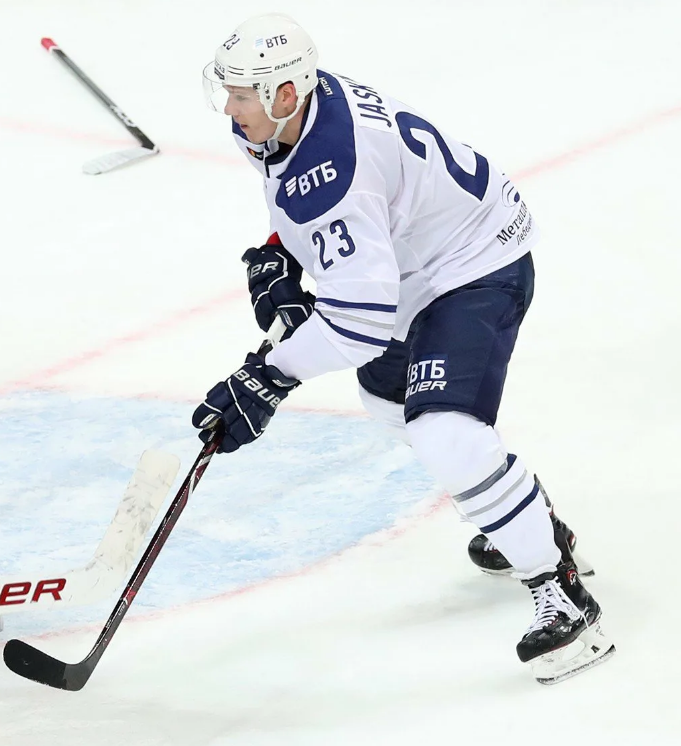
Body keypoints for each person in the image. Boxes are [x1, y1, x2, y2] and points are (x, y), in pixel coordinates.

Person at [192, 13, 613, 684]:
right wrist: (280, 251)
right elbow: (325, 208)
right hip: (418, 265)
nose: (229, 108)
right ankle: (529, 520)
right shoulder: (288, 118)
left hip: (477, 264)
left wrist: (269, 376)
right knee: (388, 402)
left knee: (443, 429)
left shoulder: (332, 164)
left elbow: (359, 323)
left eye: (241, 95)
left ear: (285, 93)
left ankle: (560, 590)